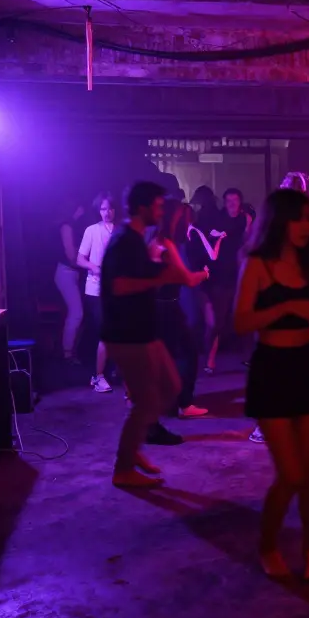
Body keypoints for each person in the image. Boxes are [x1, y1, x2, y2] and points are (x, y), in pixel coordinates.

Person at [233, 188, 309, 581]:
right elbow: (241, 321)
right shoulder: (257, 263)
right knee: (291, 475)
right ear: (279, 220)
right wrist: (289, 307)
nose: (306, 226)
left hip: (307, 365)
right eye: (298, 218)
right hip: (272, 369)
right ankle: (267, 545)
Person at [100, 181, 190, 488]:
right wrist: (161, 275)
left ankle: (132, 448)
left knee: (170, 387)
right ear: (143, 208)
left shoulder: (135, 240)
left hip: (143, 331)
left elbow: (135, 276)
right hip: (127, 334)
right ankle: (124, 468)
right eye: (158, 206)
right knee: (146, 400)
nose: (162, 211)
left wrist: (154, 264)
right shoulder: (124, 240)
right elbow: (119, 286)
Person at [157, 199, 214, 420]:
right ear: (174, 217)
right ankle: (184, 403)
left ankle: (167, 403)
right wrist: (204, 274)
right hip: (167, 307)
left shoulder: (156, 239)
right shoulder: (167, 244)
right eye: (182, 215)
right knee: (189, 353)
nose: (186, 220)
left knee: (167, 355)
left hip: (158, 306)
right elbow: (188, 279)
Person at [203, 188, 252, 374]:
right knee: (217, 321)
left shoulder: (245, 219)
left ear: (240, 202)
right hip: (221, 275)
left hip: (239, 273)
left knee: (244, 315)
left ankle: (248, 357)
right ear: (224, 202)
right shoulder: (218, 219)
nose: (232, 203)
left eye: (235, 200)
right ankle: (210, 360)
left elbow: (249, 241)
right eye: (228, 200)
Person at [78, 193, 117, 393]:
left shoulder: (121, 231)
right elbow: (80, 259)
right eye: (102, 209)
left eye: (109, 208)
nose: (106, 212)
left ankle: (110, 370)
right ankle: (98, 376)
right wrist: (94, 267)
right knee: (104, 332)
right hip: (96, 289)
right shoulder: (91, 231)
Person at [54, 197, 86, 365]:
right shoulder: (67, 226)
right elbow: (71, 256)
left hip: (71, 273)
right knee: (76, 313)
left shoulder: (72, 225)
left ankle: (71, 351)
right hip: (66, 272)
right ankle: (67, 353)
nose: (83, 211)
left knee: (78, 313)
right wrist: (88, 264)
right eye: (80, 208)